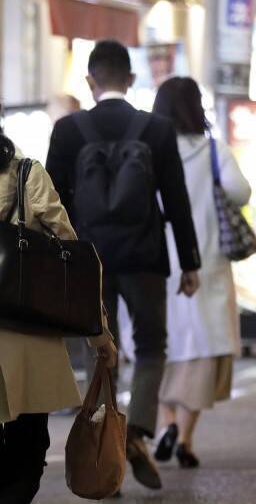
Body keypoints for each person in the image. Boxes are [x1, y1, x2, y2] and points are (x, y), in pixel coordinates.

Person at [0, 67, 117, 504]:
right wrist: (99, 334)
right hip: (31, 340)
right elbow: (75, 262)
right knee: (28, 460)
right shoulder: (29, 175)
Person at [46, 40, 201, 490]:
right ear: (131, 80)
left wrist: (58, 261)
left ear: (89, 81)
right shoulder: (156, 129)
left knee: (101, 351)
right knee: (151, 346)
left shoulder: (68, 130)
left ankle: (106, 457)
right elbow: (176, 200)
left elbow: (51, 200)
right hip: (145, 258)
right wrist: (189, 262)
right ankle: (136, 430)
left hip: (88, 259)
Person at [150, 77, 252, 468]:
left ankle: (167, 424)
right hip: (206, 266)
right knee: (203, 356)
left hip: (159, 266)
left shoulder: (149, 150)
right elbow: (241, 192)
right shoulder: (213, 151)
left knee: (157, 351)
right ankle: (184, 438)